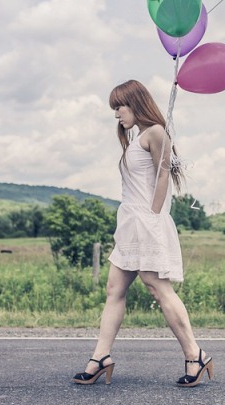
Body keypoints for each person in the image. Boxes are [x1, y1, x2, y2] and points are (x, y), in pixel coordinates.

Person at [72, 80, 213, 387]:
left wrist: (153, 217)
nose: (116, 115)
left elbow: (163, 175)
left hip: (147, 221)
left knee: (157, 287)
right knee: (114, 290)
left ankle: (195, 354)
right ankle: (100, 358)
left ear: (135, 103)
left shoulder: (156, 133)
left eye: (119, 107)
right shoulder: (136, 138)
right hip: (129, 224)